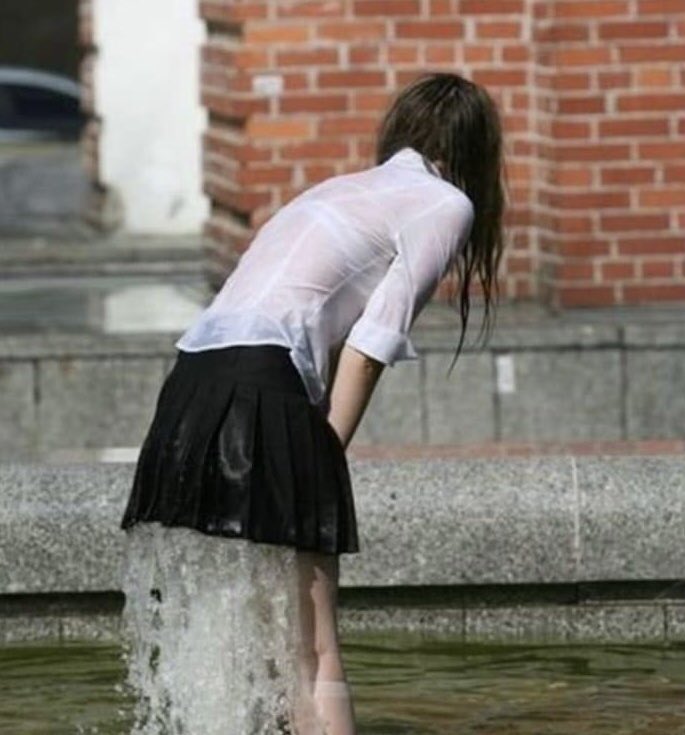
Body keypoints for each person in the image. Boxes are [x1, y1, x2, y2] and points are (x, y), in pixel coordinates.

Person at [119, 71, 505, 735]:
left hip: (187, 389)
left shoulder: (332, 193)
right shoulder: (444, 203)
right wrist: (325, 457)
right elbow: (370, 344)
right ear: (475, 152)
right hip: (261, 381)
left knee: (258, 632)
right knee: (315, 649)